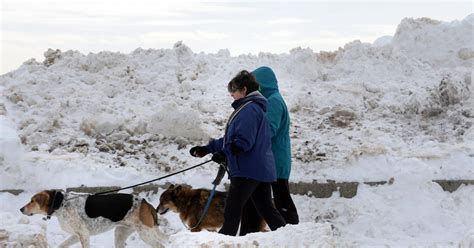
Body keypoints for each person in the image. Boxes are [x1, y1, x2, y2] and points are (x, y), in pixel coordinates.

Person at [189, 70, 286, 236]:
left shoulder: (248, 110)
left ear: (244, 90)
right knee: (267, 210)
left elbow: (242, 142)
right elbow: (231, 139)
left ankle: (225, 242)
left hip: (247, 170)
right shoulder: (251, 108)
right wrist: (208, 149)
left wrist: (224, 154)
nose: (231, 95)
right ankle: (290, 238)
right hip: (258, 169)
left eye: (233, 90)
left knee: (232, 211)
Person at [240, 66, 299, 235]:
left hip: (275, 161)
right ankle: (251, 233)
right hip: (270, 160)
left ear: (262, 84)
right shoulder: (271, 99)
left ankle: (293, 233)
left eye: (256, 84)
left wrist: (246, 140)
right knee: (259, 199)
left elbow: (269, 129)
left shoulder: (273, 101)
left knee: (281, 199)